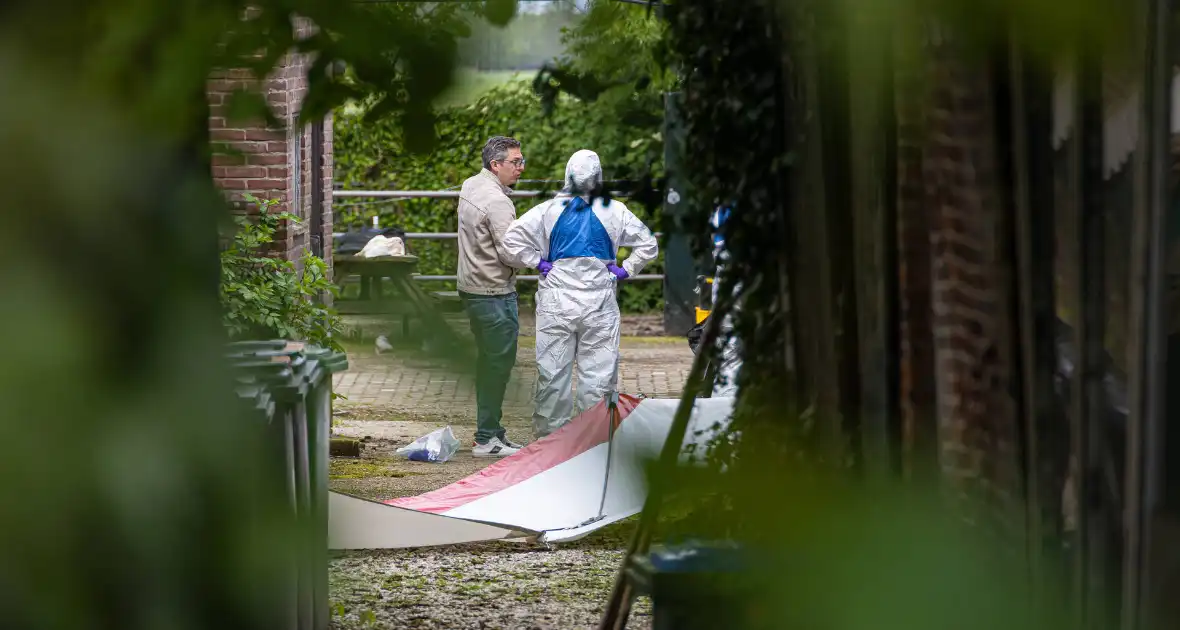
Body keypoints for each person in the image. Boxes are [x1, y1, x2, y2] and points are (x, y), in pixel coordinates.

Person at [503, 149, 659, 438]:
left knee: (552, 374)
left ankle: (550, 444)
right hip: (598, 303)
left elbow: (511, 239)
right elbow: (648, 245)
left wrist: (537, 262)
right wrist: (626, 269)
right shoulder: (615, 210)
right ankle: (595, 441)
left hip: (557, 301)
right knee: (599, 377)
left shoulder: (548, 209)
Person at [457, 136, 528, 457]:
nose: (521, 168)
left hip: (472, 287)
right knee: (498, 364)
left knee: (488, 361)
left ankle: (492, 432)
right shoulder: (498, 202)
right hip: (494, 292)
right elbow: (512, 252)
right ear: (495, 164)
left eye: (521, 160)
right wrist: (541, 256)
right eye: (515, 162)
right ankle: (487, 437)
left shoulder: (471, 185)